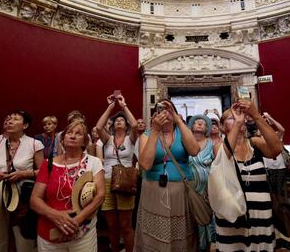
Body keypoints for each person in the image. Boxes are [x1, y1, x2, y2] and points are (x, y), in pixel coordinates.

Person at [214, 100, 283, 251]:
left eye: (241, 117)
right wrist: (238, 123)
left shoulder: (255, 143)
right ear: (222, 126)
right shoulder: (219, 146)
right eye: (231, 117)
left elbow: (277, 149)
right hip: (233, 212)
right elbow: (225, 157)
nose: (238, 118)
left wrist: (256, 116)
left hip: (260, 212)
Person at [135, 99, 200, 251]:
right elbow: (145, 164)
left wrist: (179, 121)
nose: (165, 113)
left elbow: (194, 150)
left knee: (182, 233)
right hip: (153, 190)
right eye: (161, 109)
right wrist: (155, 130)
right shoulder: (147, 135)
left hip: (181, 191)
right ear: (155, 115)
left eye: (169, 109)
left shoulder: (181, 131)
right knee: (155, 231)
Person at [30, 120, 105, 251]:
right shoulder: (48, 164)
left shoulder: (94, 162)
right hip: (50, 234)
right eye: (69, 132)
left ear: (84, 142)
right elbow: (35, 200)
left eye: (78, 133)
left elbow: (100, 196)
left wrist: (76, 221)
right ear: (63, 139)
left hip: (82, 233)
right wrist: (55, 215)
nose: (73, 136)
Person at [0, 110, 44, 252]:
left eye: (16, 119)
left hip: (22, 196)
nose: (10, 121)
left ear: (25, 125)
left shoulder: (34, 143)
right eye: (9, 118)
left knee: (24, 239)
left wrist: (23, 174)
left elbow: (43, 171)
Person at [96, 93, 137, 252]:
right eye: (117, 120)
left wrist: (123, 105)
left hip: (125, 182)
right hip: (107, 180)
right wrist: (111, 106)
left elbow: (135, 125)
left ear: (125, 125)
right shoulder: (107, 139)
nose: (120, 121)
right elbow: (99, 127)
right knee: (112, 225)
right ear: (113, 125)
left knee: (126, 226)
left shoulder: (130, 138)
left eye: (122, 120)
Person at [188, 114, 215, 252]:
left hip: (208, 190)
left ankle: (207, 247)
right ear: (191, 127)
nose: (199, 124)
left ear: (206, 129)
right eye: (196, 122)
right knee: (191, 221)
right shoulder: (185, 142)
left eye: (202, 123)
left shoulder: (212, 144)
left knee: (207, 220)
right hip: (189, 190)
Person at [262, 112, 287, 197]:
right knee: (270, 192)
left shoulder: (276, 135)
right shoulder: (260, 137)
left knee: (279, 192)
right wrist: (261, 122)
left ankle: (280, 208)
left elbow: (282, 130)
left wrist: (270, 118)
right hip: (268, 167)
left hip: (280, 167)